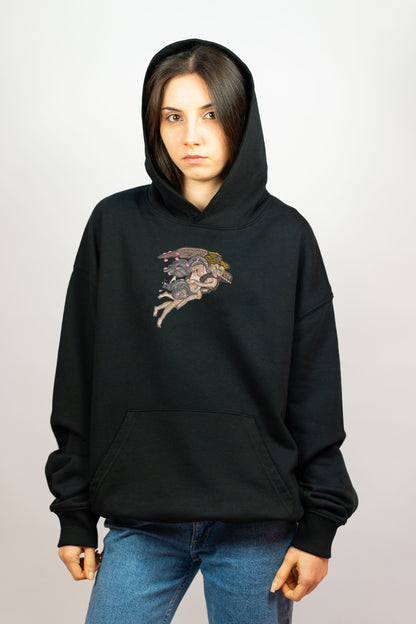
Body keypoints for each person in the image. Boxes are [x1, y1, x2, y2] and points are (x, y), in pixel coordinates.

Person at [44, 38, 358, 624]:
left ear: (241, 118)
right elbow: (78, 373)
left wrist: (320, 527)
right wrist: (74, 512)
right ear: (154, 125)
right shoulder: (114, 224)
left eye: (211, 114)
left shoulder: (287, 236)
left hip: (258, 525)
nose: (192, 135)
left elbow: (315, 390)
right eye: (174, 117)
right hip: (141, 516)